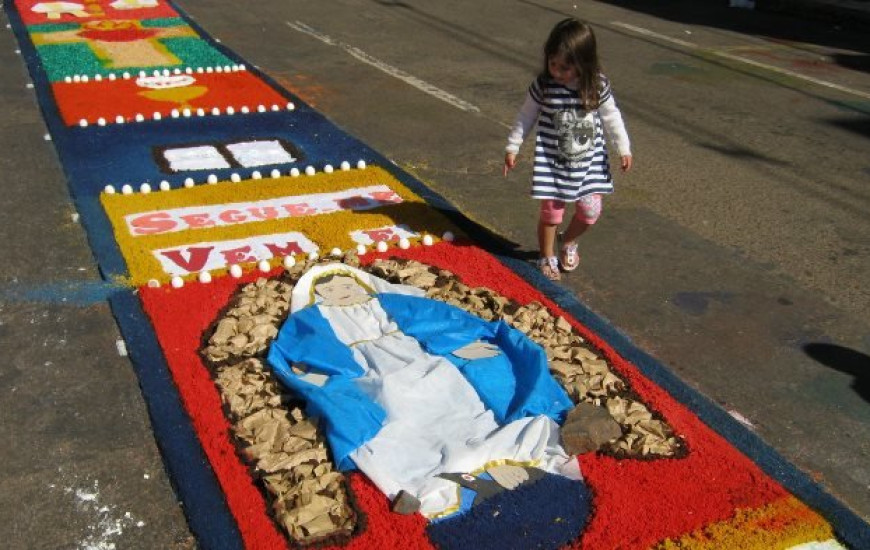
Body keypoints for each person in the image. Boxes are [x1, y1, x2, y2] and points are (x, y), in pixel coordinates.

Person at [266, 264, 582, 518]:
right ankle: (422, 481)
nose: (341, 291)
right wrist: (316, 376)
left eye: (346, 284)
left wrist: (458, 343)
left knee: (461, 403)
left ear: (362, 284)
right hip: (369, 376)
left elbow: (435, 320)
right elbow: (305, 350)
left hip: (422, 360)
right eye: (330, 289)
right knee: (394, 419)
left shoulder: (389, 303)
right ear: (318, 296)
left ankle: (493, 454)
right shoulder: (315, 319)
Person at [504, 18, 633, 281]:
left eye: (565, 67)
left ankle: (569, 240)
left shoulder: (596, 86)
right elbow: (526, 116)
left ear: (583, 63)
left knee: (590, 211)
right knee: (551, 214)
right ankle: (546, 254)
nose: (557, 72)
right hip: (553, 164)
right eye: (553, 64)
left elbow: (611, 116)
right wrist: (513, 146)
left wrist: (623, 147)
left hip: (590, 164)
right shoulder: (544, 86)